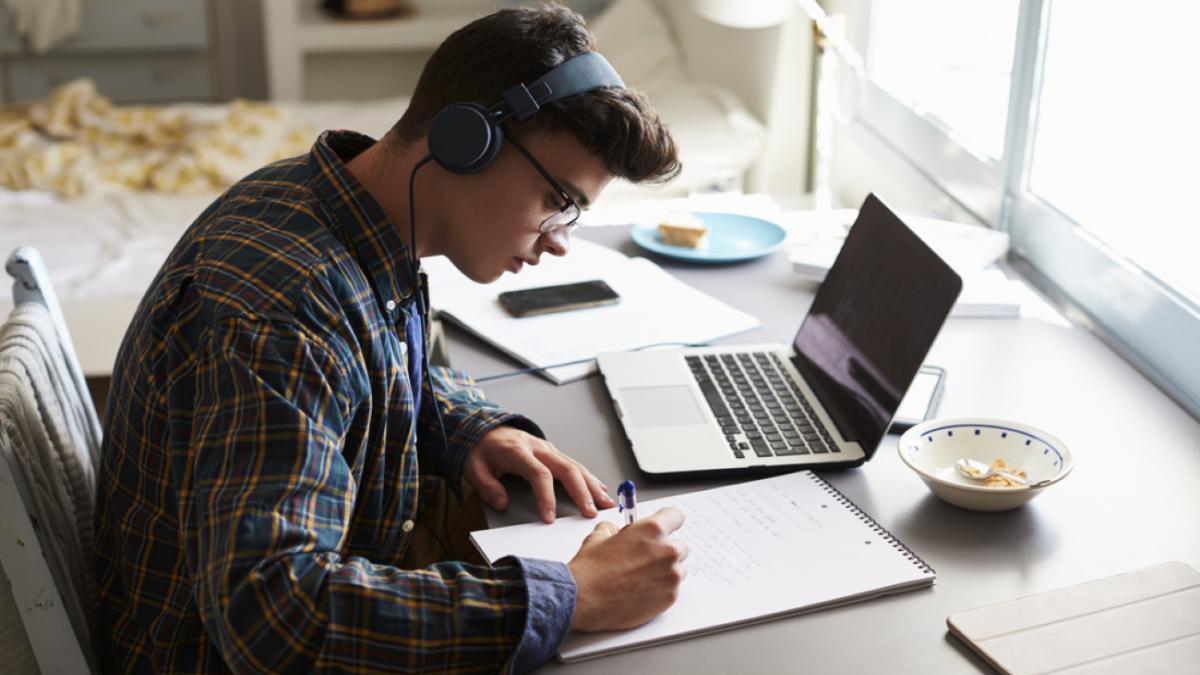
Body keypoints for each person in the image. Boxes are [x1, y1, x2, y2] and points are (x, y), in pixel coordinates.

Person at [94, 4, 690, 673]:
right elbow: (272, 616)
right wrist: (572, 596)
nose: (559, 240)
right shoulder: (284, 310)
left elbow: (368, 366)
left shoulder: (332, 210)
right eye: (559, 198)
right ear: (466, 139)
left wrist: (470, 428)